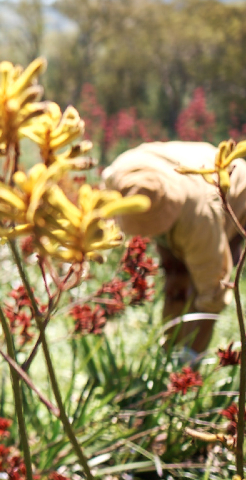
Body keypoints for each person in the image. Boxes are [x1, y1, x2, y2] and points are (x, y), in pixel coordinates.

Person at [102, 141, 246, 356]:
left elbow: (214, 291)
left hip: (234, 194)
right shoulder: (120, 174)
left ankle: (188, 357)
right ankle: (168, 350)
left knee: (204, 286)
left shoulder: (199, 216)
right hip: (190, 180)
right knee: (176, 277)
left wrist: (190, 358)